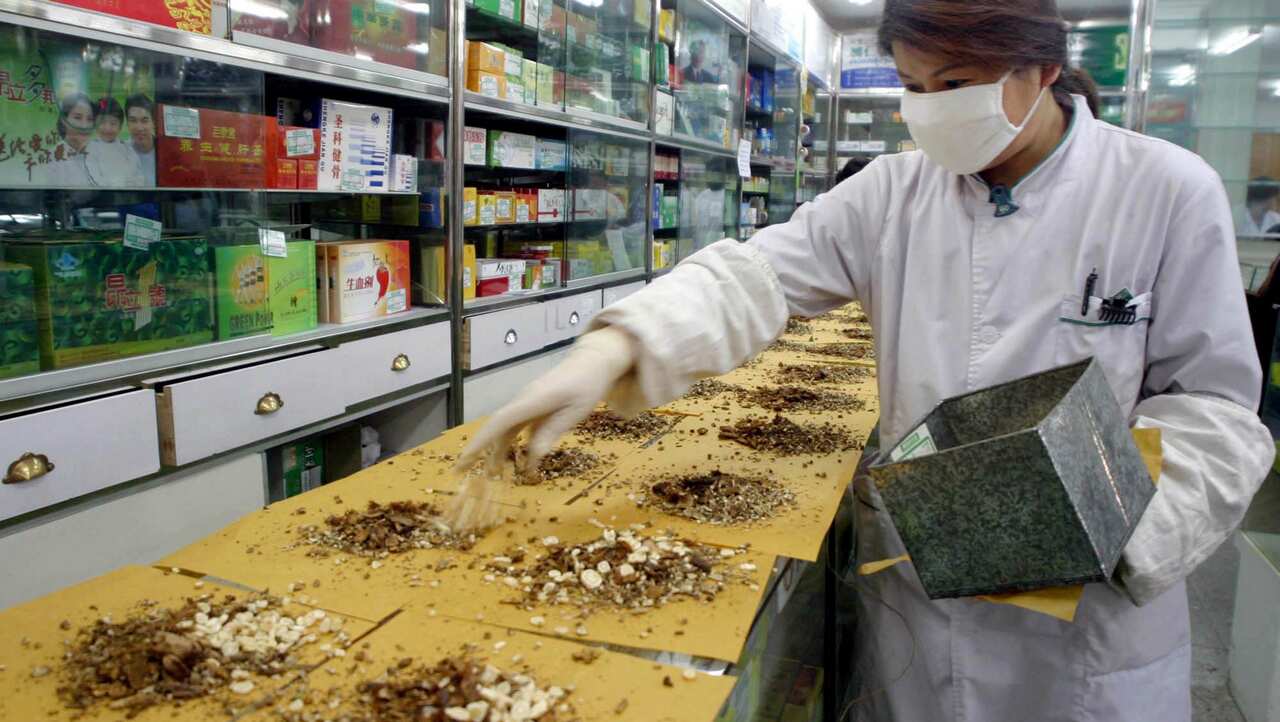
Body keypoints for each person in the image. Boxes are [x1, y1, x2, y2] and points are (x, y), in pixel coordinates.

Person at [456, 1, 1273, 720]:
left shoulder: (1164, 189)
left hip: (1079, 633)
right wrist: (617, 345)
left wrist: (1098, 528)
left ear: (1043, 69)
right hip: (918, 590)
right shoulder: (893, 191)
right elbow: (759, 274)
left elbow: (1212, 407)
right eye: (913, 87)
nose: (931, 109)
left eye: (955, 83)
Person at [85, 97, 146, 187]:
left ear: (120, 126)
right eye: (102, 122)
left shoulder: (126, 148)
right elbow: (95, 178)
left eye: (113, 123)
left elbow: (138, 173)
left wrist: (134, 185)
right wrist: (118, 184)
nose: (107, 128)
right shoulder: (91, 149)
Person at [44, 92, 95, 186]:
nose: (84, 126)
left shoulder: (96, 153)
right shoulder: (56, 156)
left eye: (90, 119)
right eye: (77, 118)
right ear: (64, 120)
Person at [125, 94, 157, 186]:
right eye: (133, 120)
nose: (139, 128)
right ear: (127, 123)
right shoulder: (121, 152)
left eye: (144, 120)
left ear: (153, 122)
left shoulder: (164, 151)